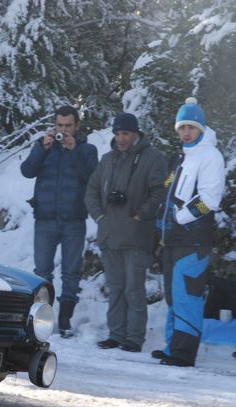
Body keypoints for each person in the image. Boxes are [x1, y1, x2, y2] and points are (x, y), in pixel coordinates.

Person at [152, 97, 226, 367]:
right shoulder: (182, 156)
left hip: (193, 239)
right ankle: (173, 346)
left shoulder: (210, 156)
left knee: (188, 296)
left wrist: (180, 218)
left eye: (191, 127)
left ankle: (183, 354)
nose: (186, 132)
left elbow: (210, 198)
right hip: (173, 239)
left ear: (202, 129)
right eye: (182, 127)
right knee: (174, 296)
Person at [85, 113, 166, 352]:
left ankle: (134, 337)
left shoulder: (152, 158)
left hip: (137, 236)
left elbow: (160, 192)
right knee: (116, 287)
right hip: (110, 235)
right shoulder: (108, 159)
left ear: (136, 134)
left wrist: (141, 213)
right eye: (118, 134)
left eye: (126, 134)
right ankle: (116, 334)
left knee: (134, 288)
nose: (121, 139)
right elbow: (91, 190)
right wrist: (100, 216)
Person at [20, 105, 98, 338]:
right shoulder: (45, 146)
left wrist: (73, 151)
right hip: (45, 219)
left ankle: (65, 319)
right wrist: (41, 149)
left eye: (68, 126)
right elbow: (27, 171)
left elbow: (92, 178)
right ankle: (41, 317)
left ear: (77, 126)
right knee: (42, 271)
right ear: (54, 125)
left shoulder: (87, 150)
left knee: (71, 272)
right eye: (60, 125)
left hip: (74, 219)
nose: (63, 130)